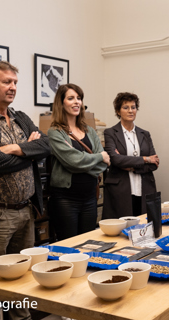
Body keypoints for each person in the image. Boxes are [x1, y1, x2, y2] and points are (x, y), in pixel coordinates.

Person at [0, 61, 50, 320]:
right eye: (7, 82)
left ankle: (22, 318)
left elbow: (47, 145)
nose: (13, 87)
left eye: (15, 83)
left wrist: (13, 148)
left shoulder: (20, 116)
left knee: (23, 276)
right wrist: (28, 151)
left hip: (26, 212)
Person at [48, 83, 109, 240]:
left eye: (79, 98)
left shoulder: (89, 131)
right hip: (65, 200)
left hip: (89, 197)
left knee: (87, 243)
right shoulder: (55, 132)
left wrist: (84, 163)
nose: (76, 102)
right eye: (71, 98)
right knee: (68, 246)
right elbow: (73, 161)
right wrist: (99, 157)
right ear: (61, 103)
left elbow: (100, 165)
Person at [102, 92, 159, 219]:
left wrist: (131, 166)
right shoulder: (110, 133)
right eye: (125, 107)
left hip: (144, 188)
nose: (130, 111)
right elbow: (115, 159)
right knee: (123, 229)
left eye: (133, 107)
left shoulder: (145, 134)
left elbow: (154, 163)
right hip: (121, 190)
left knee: (145, 227)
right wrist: (145, 159)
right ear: (118, 111)